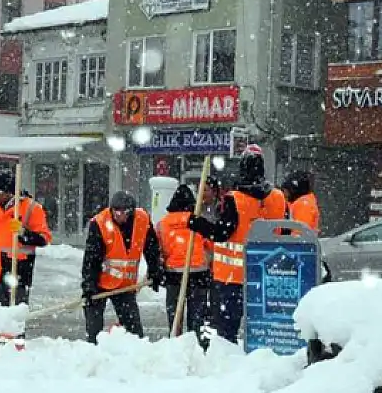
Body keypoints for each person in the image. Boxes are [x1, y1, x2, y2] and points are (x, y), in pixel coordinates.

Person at [186, 146, 287, 343]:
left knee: (226, 331)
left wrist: (198, 224)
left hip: (231, 278)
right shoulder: (278, 198)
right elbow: (285, 232)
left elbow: (222, 233)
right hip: (266, 275)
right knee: (264, 329)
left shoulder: (235, 199)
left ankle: (225, 362)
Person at [81, 190, 163, 344]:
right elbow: (91, 259)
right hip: (100, 283)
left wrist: (155, 271)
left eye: (123, 212)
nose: (118, 215)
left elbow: (151, 249)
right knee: (94, 331)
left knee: (134, 332)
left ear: (131, 211)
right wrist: (88, 285)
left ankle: (134, 356)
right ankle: (93, 356)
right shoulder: (99, 223)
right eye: (115, 211)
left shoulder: (142, 220)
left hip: (125, 286)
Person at [0, 170, 51, 308]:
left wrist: (24, 233)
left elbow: (44, 239)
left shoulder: (32, 208)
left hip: (19, 273)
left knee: (15, 320)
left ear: (8, 192)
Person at [157, 184, 211, 339]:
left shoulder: (163, 224)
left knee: (175, 316)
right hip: (199, 274)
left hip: (173, 275)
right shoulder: (198, 221)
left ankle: (176, 341)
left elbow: (157, 250)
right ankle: (195, 344)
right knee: (197, 317)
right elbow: (211, 245)